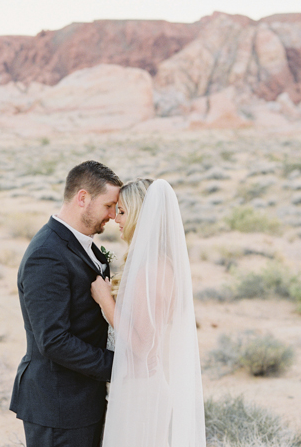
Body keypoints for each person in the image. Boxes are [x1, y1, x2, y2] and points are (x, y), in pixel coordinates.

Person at [10, 160, 123, 447]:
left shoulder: (84, 244)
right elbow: (54, 340)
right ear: (82, 198)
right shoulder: (47, 255)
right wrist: (121, 367)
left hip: (84, 400)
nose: (113, 215)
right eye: (109, 205)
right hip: (58, 406)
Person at [91, 178, 206, 447]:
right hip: (136, 387)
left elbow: (142, 345)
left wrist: (104, 299)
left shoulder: (153, 269)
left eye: (121, 211)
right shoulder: (152, 263)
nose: (115, 218)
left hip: (141, 394)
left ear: (139, 215)